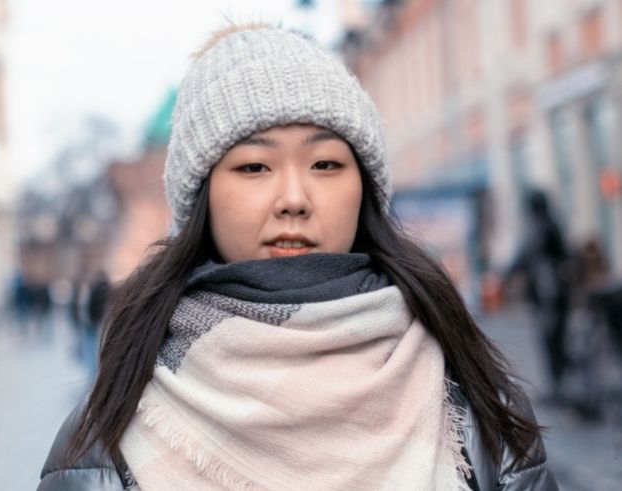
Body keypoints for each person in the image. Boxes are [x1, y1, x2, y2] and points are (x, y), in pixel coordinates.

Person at [37, 24, 556, 490]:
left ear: (365, 191)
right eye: (255, 167)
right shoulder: (108, 432)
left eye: (326, 163)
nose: (293, 198)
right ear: (203, 198)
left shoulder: (474, 405)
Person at [505, 190, 574, 402]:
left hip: (549, 295)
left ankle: (560, 385)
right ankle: (560, 383)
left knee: (552, 339)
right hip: (552, 293)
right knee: (554, 339)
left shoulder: (541, 229)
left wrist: (506, 274)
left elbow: (523, 257)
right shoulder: (550, 226)